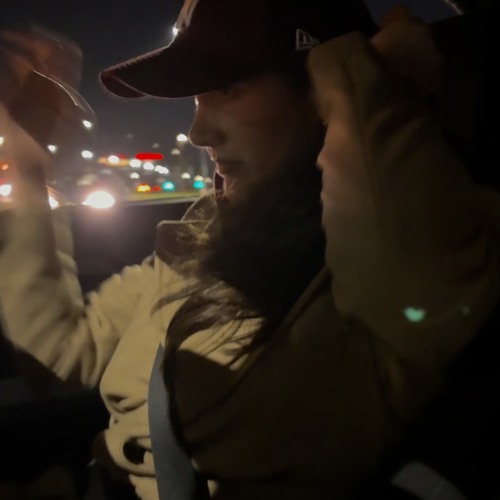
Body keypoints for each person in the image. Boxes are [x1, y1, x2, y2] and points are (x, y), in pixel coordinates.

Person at [0, 0, 499, 499]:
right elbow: (63, 353)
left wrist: (365, 75)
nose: (197, 131)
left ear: (319, 91)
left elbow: (409, 265)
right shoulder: (204, 233)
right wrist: (28, 158)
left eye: (225, 89)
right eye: (197, 99)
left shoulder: (409, 245)